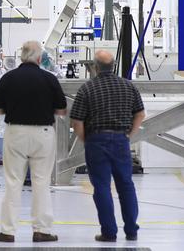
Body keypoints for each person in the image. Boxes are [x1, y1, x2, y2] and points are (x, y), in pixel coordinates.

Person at [0, 40, 68, 244]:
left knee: (12, 182)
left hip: (15, 132)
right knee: (41, 182)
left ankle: (7, 231)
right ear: (38, 57)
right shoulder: (49, 79)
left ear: (22, 56)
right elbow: (61, 110)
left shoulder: (8, 78)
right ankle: (42, 230)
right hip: (43, 133)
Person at [69, 49, 145, 243]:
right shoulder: (128, 86)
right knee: (126, 186)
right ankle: (131, 231)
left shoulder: (87, 88)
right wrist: (129, 134)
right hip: (121, 140)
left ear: (94, 66)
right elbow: (140, 114)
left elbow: (76, 121)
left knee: (102, 187)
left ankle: (109, 233)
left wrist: (87, 139)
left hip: (96, 140)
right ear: (113, 66)